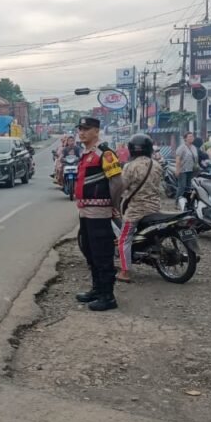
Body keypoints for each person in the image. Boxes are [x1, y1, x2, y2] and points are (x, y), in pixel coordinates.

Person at [74, 116, 124, 312]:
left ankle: (108, 296)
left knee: (102, 254)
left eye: (86, 129)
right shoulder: (86, 154)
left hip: (100, 213)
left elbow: (118, 183)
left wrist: (114, 205)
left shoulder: (106, 154)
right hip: (86, 212)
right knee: (90, 252)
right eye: (80, 128)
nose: (82, 132)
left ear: (96, 131)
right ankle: (97, 289)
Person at [117, 134, 162, 284]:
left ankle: (125, 272)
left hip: (136, 210)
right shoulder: (156, 165)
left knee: (123, 239)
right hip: (155, 207)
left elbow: (122, 187)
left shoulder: (130, 166)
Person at [175, 131, 199, 199]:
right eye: (189, 136)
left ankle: (187, 202)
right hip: (183, 170)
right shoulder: (182, 147)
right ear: (185, 138)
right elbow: (178, 159)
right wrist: (177, 170)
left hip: (192, 170)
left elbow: (196, 158)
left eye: (192, 136)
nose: (191, 138)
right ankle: (177, 202)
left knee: (189, 187)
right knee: (182, 186)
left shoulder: (194, 147)